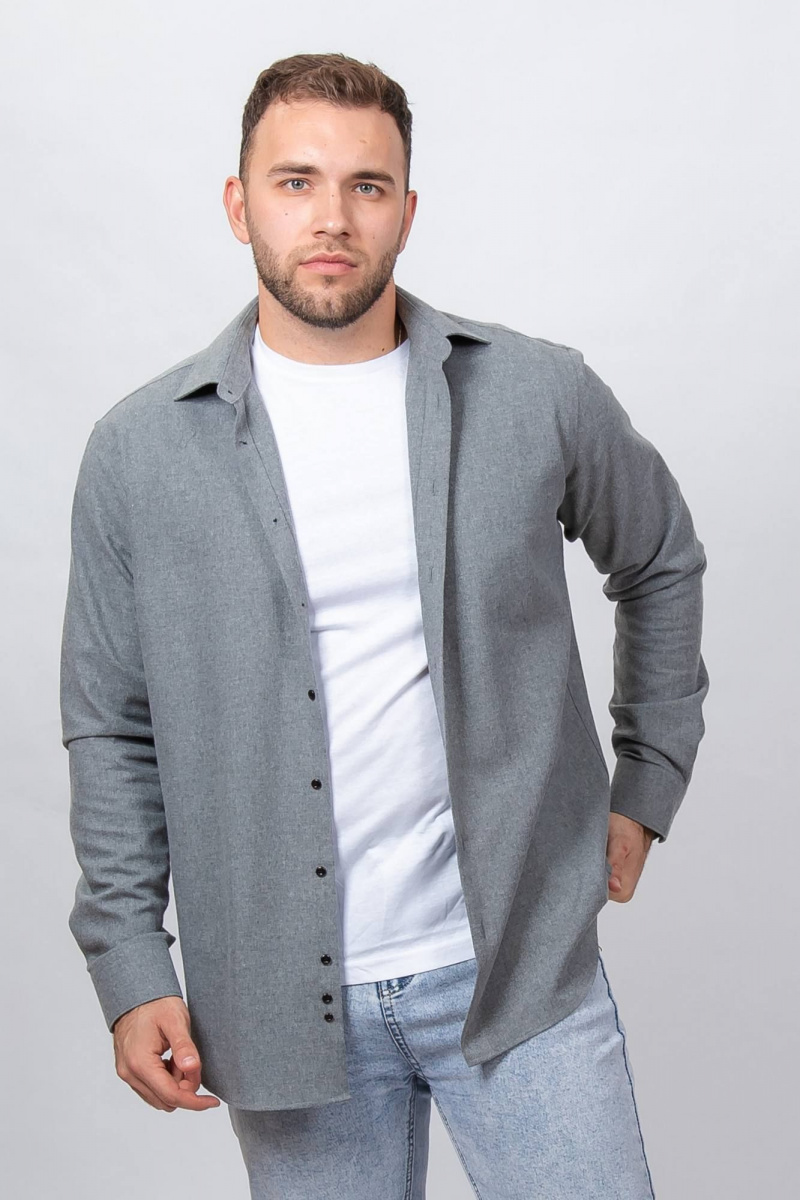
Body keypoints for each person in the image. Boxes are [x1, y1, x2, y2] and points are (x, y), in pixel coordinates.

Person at [60, 51, 709, 1199]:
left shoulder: (535, 392)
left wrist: (644, 783)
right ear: (238, 205)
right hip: (277, 1002)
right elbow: (111, 724)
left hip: (518, 974)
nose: (331, 218)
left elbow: (656, 559)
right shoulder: (139, 453)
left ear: (406, 211)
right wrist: (129, 963)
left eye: (365, 186)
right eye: (295, 182)